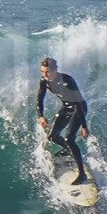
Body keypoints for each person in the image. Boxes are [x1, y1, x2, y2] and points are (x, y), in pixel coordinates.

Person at [35, 56, 92, 187]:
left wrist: (84, 126)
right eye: (42, 72)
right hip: (66, 107)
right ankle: (68, 150)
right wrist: (41, 116)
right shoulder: (44, 81)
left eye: (47, 72)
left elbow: (77, 103)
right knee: (52, 136)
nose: (44, 75)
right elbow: (39, 99)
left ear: (55, 70)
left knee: (69, 139)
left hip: (79, 108)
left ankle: (82, 174)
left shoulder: (67, 81)